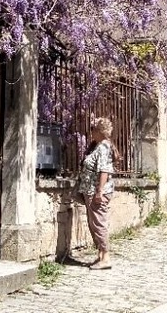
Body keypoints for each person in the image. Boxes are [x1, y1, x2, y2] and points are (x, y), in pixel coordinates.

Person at [77, 115, 115, 270]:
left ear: (100, 131)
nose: (91, 132)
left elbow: (104, 170)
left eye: (93, 129)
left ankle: (106, 257)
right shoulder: (99, 146)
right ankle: (100, 254)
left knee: (99, 223)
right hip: (91, 191)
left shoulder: (104, 147)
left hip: (97, 192)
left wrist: (99, 191)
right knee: (94, 223)